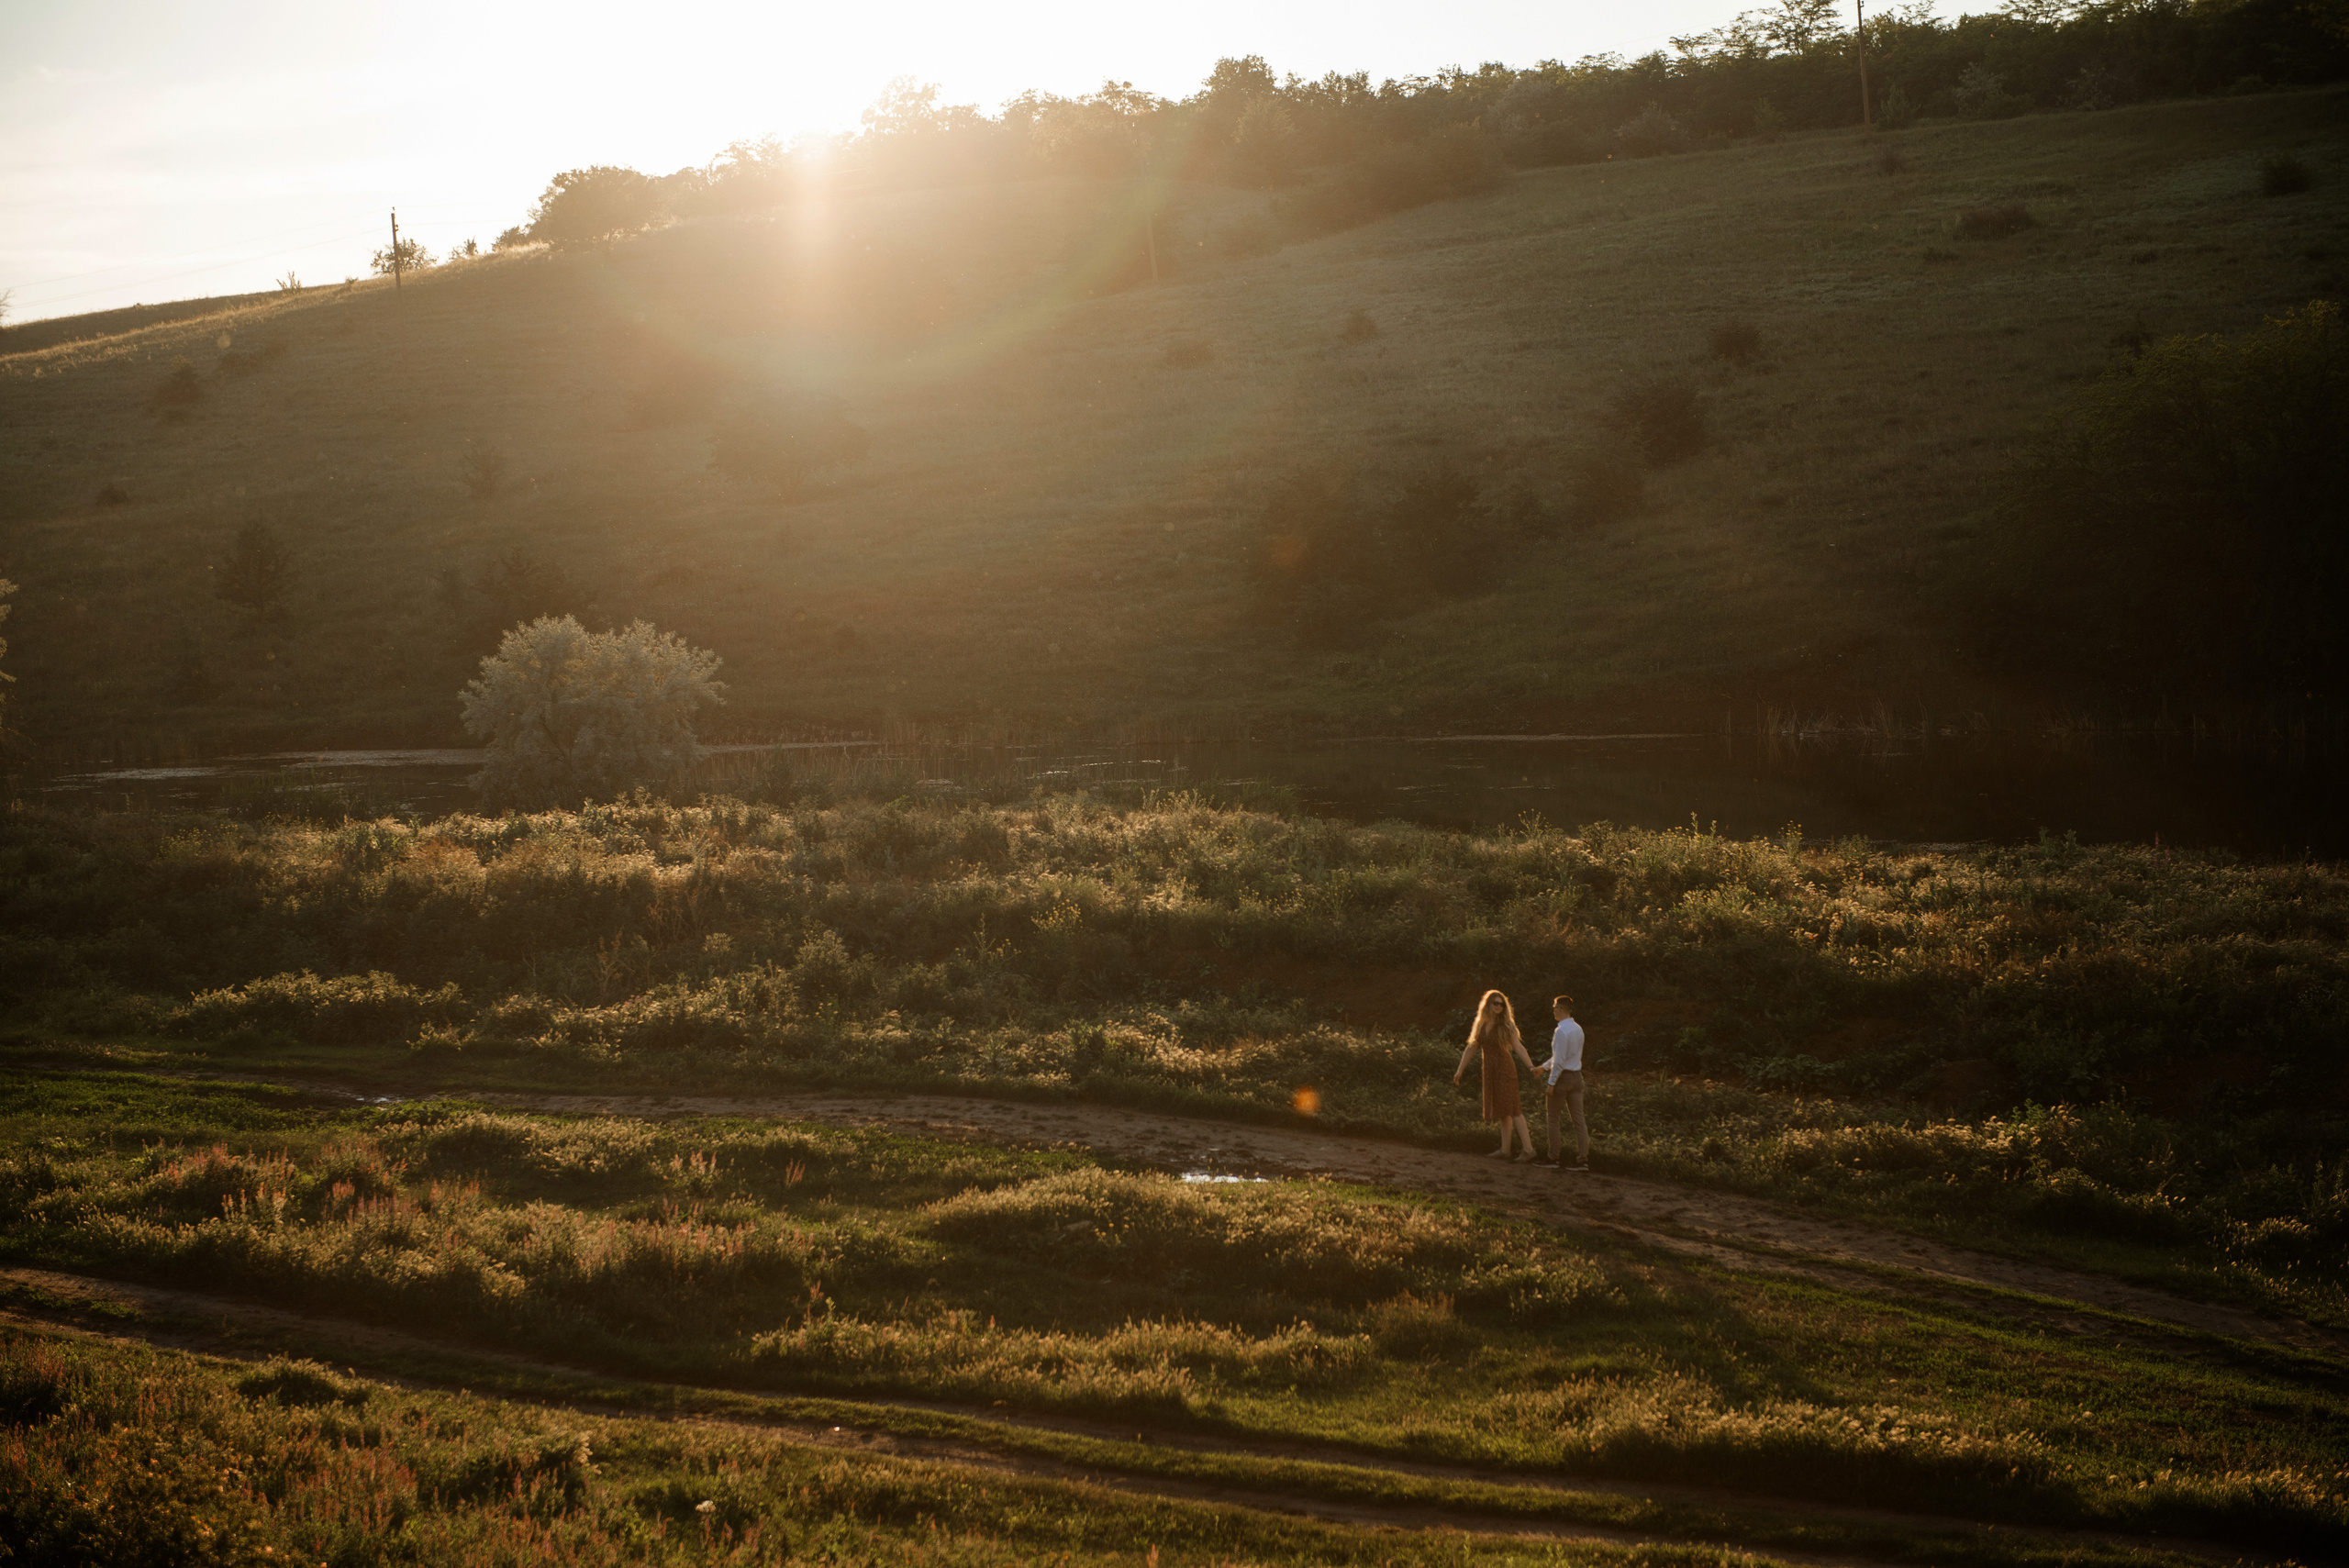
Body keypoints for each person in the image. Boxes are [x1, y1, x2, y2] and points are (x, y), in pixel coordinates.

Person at [1453, 989, 1538, 1160]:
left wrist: (1531, 1067)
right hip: (1490, 1070)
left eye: (1501, 1004)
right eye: (1495, 1003)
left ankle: (1529, 1150)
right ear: (1488, 1004)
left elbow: (1519, 1048)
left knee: (1514, 1108)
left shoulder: (1507, 1025)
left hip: (1505, 1069)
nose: (1499, 1007)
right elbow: (1471, 1047)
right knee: (1502, 1110)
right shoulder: (1481, 1023)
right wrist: (1460, 1070)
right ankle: (1505, 1150)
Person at [1540, 994, 1589, 1172]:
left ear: (1560, 1009)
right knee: (1579, 1120)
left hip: (1562, 1078)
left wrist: (1551, 1083)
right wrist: (1543, 1067)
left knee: (1553, 1118)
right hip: (1577, 1077)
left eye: (1554, 1007)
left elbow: (1559, 1061)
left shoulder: (1560, 1031)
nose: (1553, 1010)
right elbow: (1562, 1056)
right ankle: (1583, 1160)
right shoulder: (1578, 1029)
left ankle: (1553, 1157)